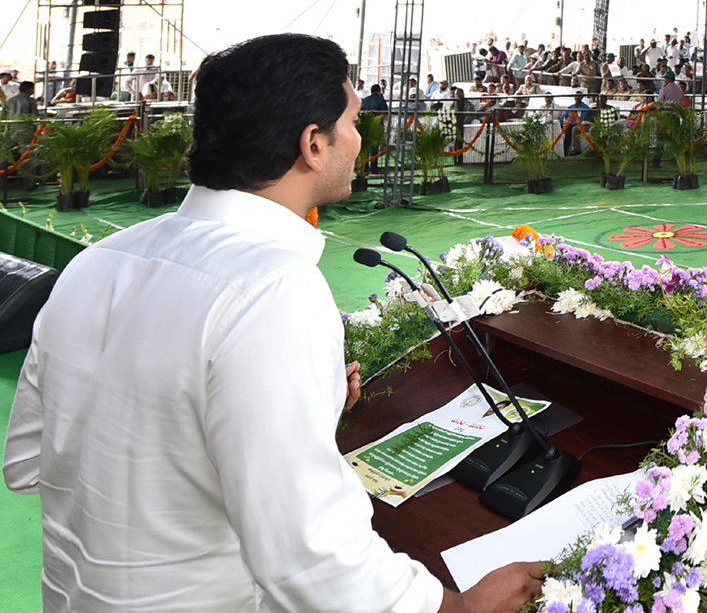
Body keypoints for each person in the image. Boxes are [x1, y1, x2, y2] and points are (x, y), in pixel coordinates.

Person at [4, 34, 543, 613]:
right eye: (355, 122)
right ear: (314, 143)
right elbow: (307, 558)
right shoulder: (272, 289)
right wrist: (458, 609)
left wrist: (290, 415)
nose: (361, 143)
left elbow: (28, 461)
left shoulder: (98, 261)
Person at [561, 90, 591, 155]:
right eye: (576, 96)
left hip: (578, 124)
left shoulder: (585, 107)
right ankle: (564, 151)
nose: (577, 98)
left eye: (579, 96)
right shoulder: (571, 107)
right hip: (568, 123)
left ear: (582, 97)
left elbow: (583, 118)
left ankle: (571, 150)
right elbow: (564, 117)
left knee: (570, 129)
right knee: (567, 128)